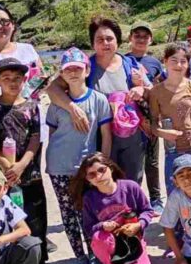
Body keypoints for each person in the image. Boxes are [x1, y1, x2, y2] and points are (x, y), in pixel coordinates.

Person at [46, 17, 151, 186]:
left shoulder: (130, 64)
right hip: (100, 138)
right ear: (93, 43)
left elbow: (152, 91)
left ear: (118, 40)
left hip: (132, 138)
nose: (105, 43)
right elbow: (52, 89)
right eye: (99, 39)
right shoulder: (85, 68)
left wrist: (142, 90)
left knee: (132, 185)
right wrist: (72, 108)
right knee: (105, 185)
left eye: (109, 38)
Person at [0, 58, 52, 264]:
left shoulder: (31, 106)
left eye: (17, 78)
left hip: (30, 174)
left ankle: (40, 263)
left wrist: (22, 164)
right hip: (0, 177)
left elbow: (36, 138)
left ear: (24, 80)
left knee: (36, 219)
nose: (12, 82)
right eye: (6, 78)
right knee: (3, 221)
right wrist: (5, 165)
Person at [45, 47, 112, 264]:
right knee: (68, 214)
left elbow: (106, 135)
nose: (73, 72)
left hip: (87, 168)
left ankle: (95, 255)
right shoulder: (56, 104)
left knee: (88, 212)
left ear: (87, 70)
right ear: (62, 74)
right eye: (68, 69)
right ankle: (80, 258)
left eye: (78, 68)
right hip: (59, 165)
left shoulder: (98, 100)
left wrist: (104, 165)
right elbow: (52, 135)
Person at [69, 153, 154, 264]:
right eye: (91, 174)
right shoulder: (89, 198)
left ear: (111, 168)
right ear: (87, 180)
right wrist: (102, 225)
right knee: (99, 238)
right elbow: (89, 228)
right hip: (109, 243)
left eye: (101, 170)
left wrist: (139, 224)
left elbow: (147, 210)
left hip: (132, 240)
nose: (98, 176)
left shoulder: (130, 187)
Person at [148, 42, 191, 204]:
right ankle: (177, 227)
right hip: (173, 150)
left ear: (188, 64)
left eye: (183, 61)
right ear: (165, 61)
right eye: (174, 60)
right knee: (175, 193)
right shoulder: (155, 92)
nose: (178, 65)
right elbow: (153, 123)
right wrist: (163, 133)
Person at [127, 21, 166, 212]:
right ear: (130, 38)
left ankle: (156, 199)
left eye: (145, 36)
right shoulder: (122, 60)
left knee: (152, 161)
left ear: (151, 39)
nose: (141, 39)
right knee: (133, 163)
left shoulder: (155, 63)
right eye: (137, 35)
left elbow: (163, 89)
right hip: (128, 120)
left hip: (151, 118)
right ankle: (134, 200)